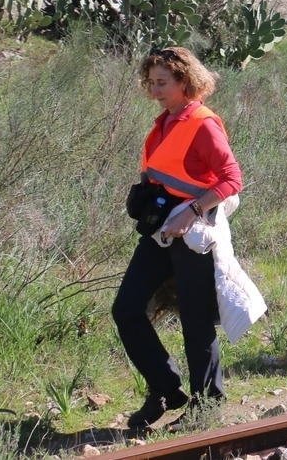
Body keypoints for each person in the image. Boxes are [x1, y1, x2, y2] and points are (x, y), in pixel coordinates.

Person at [113, 47, 242, 430]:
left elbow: (232, 179)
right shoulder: (164, 122)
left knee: (195, 321)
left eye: (162, 83)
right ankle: (166, 389)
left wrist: (192, 211)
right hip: (160, 231)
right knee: (126, 309)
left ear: (184, 81)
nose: (154, 90)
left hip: (193, 231)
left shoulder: (202, 123)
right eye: (151, 82)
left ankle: (206, 407)